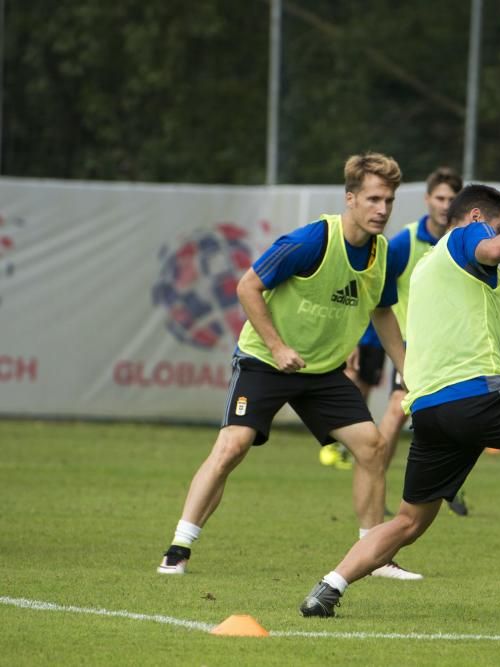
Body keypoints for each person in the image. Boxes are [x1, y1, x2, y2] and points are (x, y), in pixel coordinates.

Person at [299, 180, 500, 630]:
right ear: (476, 220)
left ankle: (329, 586)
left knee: (410, 521)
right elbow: (491, 253)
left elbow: (492, 279)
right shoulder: (465, 236)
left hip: (432, 411)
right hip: (481, 396)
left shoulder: (434, 266)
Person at [157, 152, 421, 581]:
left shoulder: (383, 254)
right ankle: (178, 548)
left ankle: (373, 555)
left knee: (372, 447)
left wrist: (408, 367)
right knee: (232, 446)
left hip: (322, 373)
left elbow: (382, 311)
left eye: (389, 200)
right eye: (373, 199)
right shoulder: (311, 241)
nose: (382, 209)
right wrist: (278, 347)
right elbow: (248, 286)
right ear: (350, 198)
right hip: (265, 361)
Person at [330, 168, 472, 518]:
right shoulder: (405, 242)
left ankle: (448, 483)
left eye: (451, 198)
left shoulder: (464, 241)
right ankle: (377, 482)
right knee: (397, 409)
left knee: (460, 414)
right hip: (411, 345)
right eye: (439, 198)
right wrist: (357, 339)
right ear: (427, 200)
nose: (444, 205)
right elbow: (374, 294)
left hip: (453, 346)